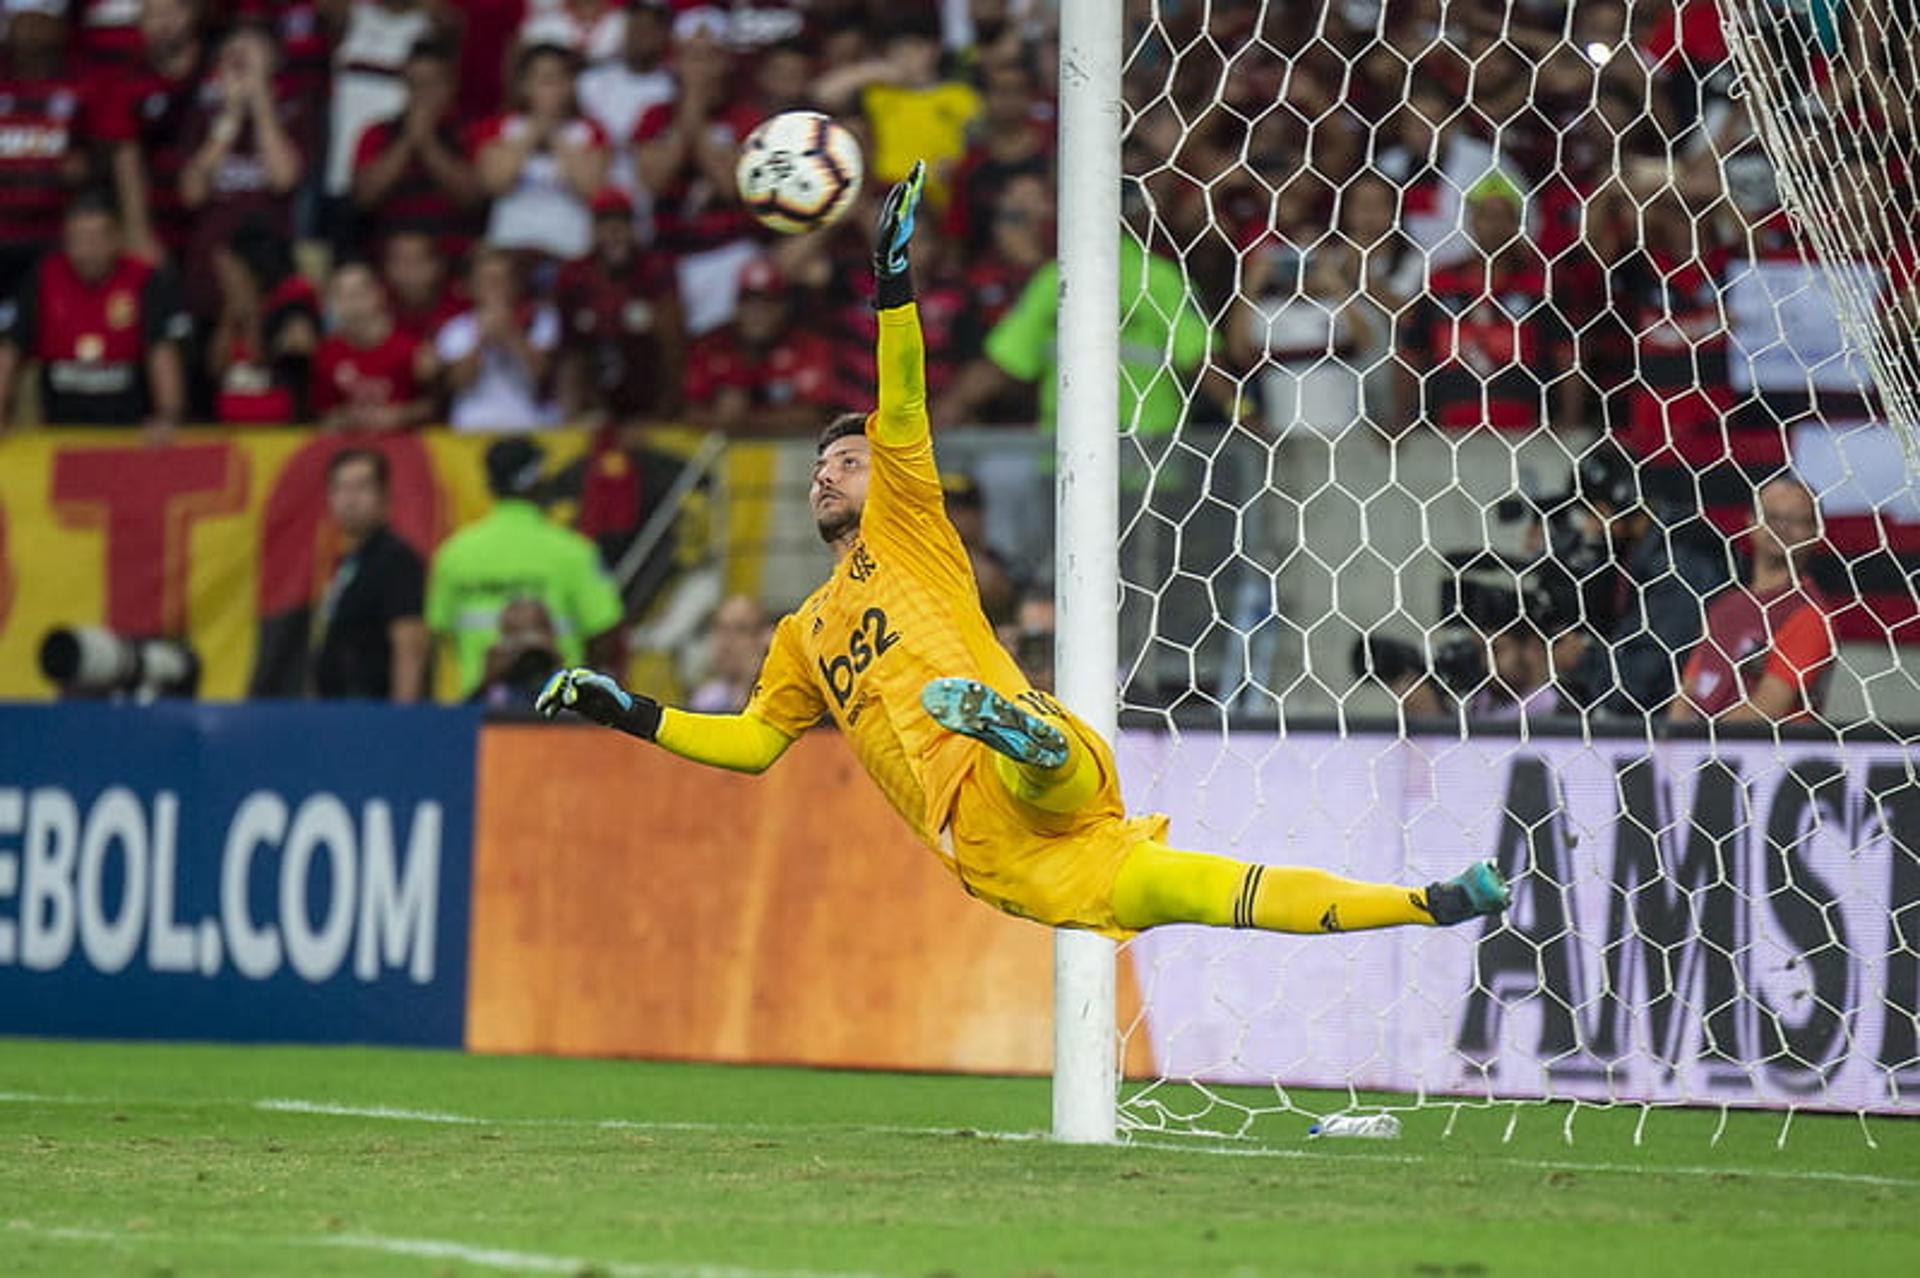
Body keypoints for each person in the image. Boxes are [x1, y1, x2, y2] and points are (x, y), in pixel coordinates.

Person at [537, 163, 1509, 943]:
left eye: (848, 458)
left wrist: (892, 288)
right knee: (1212, 895)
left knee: (1082, 780)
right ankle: (1421, 903)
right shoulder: (801, 635)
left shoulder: (907, 523)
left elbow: (906, 401)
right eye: (821, 464)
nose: (827, 474)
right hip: (1006, 853)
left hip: (1027, 784)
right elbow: (751, 746)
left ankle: (1023, 734)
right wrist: (624, 710)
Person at [426, 435, 627, 696]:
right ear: (538, 480)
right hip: (559, 707)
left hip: (480, 707)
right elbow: (605, 633)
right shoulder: (574, 551)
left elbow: (437, 632)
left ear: (490, 483)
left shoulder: (454, 553)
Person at [0, 194, 189, 436]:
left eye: (94, 239)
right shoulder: (44, 278)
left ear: (116, 239)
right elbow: (8, 351)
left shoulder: (144, 281)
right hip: (58, 434)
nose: (85, 250)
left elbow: (162, 353)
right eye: (76, 240)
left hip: (129, 433)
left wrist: (167, 416)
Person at [1671, 478, 1834, 723]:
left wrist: (1698, 741)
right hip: (1696, 751)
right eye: (1771, 516)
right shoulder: (1724, 606)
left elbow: (1765, 710)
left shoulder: (1810, 615)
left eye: (1796, 520)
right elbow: (1687, 692)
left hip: (1762, 756)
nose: (1781, 527)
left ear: (1816, 531)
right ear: (1750, 521)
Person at [555, 186, 685, 423]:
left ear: (633, 227)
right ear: (593, 229)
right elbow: (569, 352)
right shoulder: (574, 277)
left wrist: (664, 414)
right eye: (605, 223)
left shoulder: (654, 271)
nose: (614, 231)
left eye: (621, 221)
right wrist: (571, 416)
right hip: (596, 404)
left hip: (647, 402)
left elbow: (673, 347)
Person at [312, 447, 431, 702]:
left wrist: (400, 722)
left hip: (373, 717)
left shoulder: (396, 560)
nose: (350, 499)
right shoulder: (349, 563)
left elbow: (409, 645)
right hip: (338, 714)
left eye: (361, 488)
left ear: (384, 497)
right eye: (340, 488)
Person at [350, 38, 486, 259]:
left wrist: (428, 143)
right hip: (388, 251)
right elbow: (363, 198)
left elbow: (473, 198)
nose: (423, 94)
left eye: (431, 84)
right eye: (415, 84)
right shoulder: (377, 133)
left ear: (450, 86)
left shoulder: (469, 133)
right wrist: (407, 142)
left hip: (452, 252)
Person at [432, 247, 563, 432]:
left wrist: (512, 335)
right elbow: (459, 383)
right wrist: (481, 340)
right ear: (472, 286)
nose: (495, 288)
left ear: (515, 284)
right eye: (487, 280)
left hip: (529, 425)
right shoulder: (456, 329)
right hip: (471, 429)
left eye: (501, 280)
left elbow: (542, 376)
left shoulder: (541, 319)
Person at [313, 261, 431, 432]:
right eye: (341, 296)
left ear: (378, 294)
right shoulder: (326, 354)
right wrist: (346, 418)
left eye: (357, 294)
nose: (351, 304)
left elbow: (435, 407)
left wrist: (402, 416)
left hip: (406, 449)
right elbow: (322, 415)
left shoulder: (412, 348)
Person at [468, 597, 565, 711]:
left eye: (534, 630)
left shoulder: (570, 684)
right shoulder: (496, 690)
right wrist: (486, 682)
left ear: (551, 633)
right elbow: (461, 721)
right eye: (515, 633)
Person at [687, 593, 767, 713]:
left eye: (740, 629)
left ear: (763, 638)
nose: (727, 641)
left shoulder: (777, 695)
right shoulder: (706, 697)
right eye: (721, 628)